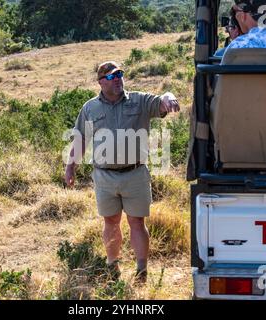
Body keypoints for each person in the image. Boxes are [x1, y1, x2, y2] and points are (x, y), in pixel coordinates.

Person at [64, 61, 180, 283]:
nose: (117, 79)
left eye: (120, 74)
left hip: (135, 174)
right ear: (100, 82)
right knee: (111, 222)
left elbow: (161, 101)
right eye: (111, 76)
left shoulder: (138, 100)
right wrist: (70, 167)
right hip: (104, 176)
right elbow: (80, 139)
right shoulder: (90, 108)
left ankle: (142, 270)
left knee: (137, 222)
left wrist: (168, 96)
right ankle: (112, 266)